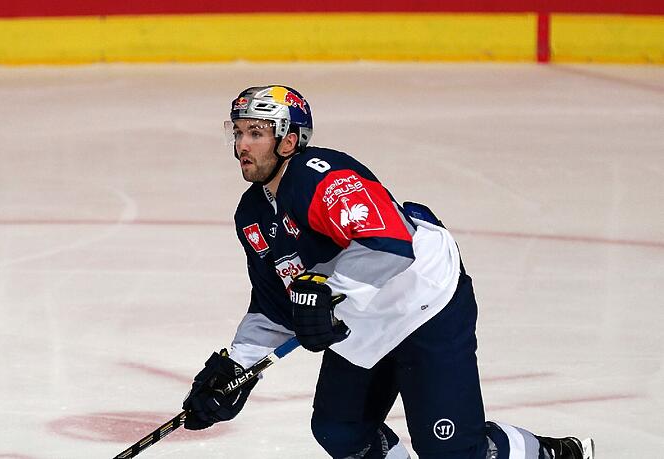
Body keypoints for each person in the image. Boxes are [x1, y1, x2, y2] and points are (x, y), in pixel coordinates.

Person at [181, 85, 595, 459]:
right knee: (339, 431)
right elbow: (275, 306)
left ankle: (549, 454)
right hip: (365, 322)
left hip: (422, 303)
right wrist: (234, 369)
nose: (242, 145)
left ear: (289, 140)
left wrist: (322, 290)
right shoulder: (252, 215)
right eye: (237, 132)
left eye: (256, 132)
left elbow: (391, 245)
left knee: (451, 451)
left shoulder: (320, 177)